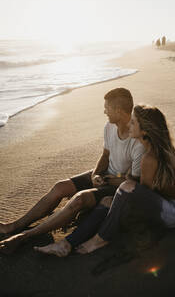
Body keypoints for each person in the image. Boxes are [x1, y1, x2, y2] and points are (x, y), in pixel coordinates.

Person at [0, 88, 145, 254]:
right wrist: (95, 173)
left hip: (117, 185)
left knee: (79, 199)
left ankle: (24, 236)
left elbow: (134, 183)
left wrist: (107, 180)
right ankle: (14, 226)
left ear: (119, 111)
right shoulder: (109, 126)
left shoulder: (137, 141)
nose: (104, 111)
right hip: (104, 174)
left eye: (107, 108)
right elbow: (105, 155)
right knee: (60, 186)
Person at [75, 105, 175, 254]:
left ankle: (100, 239)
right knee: (116, 197)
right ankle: (79, 236)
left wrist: (115, 203)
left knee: (123, 190)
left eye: (133, 122)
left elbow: (140, 198)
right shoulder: (160, 147)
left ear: (144, 131)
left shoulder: (150, 157)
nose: (129, 124)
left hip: (174, 214)